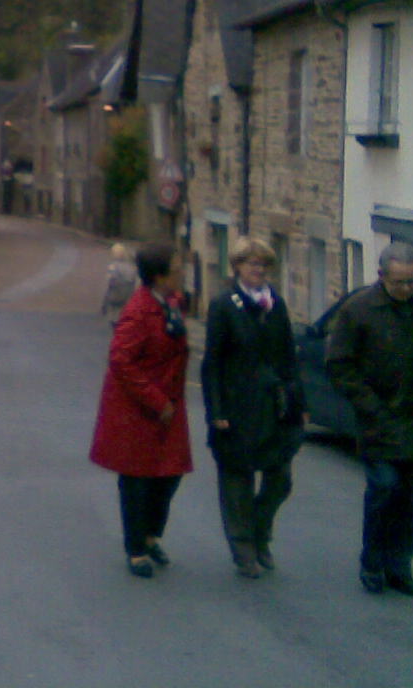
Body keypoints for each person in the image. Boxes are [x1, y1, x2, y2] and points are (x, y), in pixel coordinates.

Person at [325, 242, 413, 598]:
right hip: (378, 422)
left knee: (408, 497)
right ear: (382, 276)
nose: (405, 289)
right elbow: (339, 365)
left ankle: (400, 566)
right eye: (398, 282)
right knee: (383, 489)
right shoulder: (359, 311)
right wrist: (370, 406)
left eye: (411, 281)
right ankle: (372, 564)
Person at [201, 236, 307, 578]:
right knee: (237, 480)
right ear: (237, 267)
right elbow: (212, 363)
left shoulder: (274, 302)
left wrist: (298, 401)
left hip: (274, 406)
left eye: (264, 265)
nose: (259, 270)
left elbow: (288, 355)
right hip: (237, 406)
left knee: (280, 479)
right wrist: (216, 411)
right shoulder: (223, 305)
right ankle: (244, 548)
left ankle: (261, 532)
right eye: (252, 264)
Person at [89, 242, 192, 578]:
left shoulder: (171, 302)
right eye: (176, 268)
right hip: (139, 410)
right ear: (160, 276)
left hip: (167, 407)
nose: (182, 272)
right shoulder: (138, 311)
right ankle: (136, 550)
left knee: (169, 474)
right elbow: (121, 360)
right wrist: (156, 400)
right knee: (137, 481)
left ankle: (150, 536)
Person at [101, 243, 135, 324]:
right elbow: (133, 280)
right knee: (123, 310)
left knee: (114, 312)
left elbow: (110, 281)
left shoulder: (113, 266)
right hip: (128, 292)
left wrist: (105, 301)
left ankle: (115, 322)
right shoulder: (131, 266)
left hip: (116, 292)